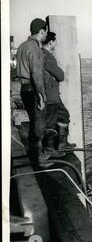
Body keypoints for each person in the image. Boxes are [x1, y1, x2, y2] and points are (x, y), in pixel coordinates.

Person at [16, 18, 53, 167]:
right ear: (42, 31)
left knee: (33, 122)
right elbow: (37, 74)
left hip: (24, 89)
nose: (46, 36)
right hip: (33, 89)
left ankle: (34, 156)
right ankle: (38, 159)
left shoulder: (22, 46)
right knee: (39, 124)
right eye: (45, 32)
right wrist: (41, 95)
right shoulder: (35, 48)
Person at [42, 31, 76, 154]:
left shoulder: (42, 54)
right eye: (55, 43)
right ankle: (50, 150)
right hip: (51, 96)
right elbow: (60, 76)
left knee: (63, 116)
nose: (56, 46)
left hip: (52, 94)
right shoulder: (48, 57)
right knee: (50, 123)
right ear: (51, 42)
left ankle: (62, 144)